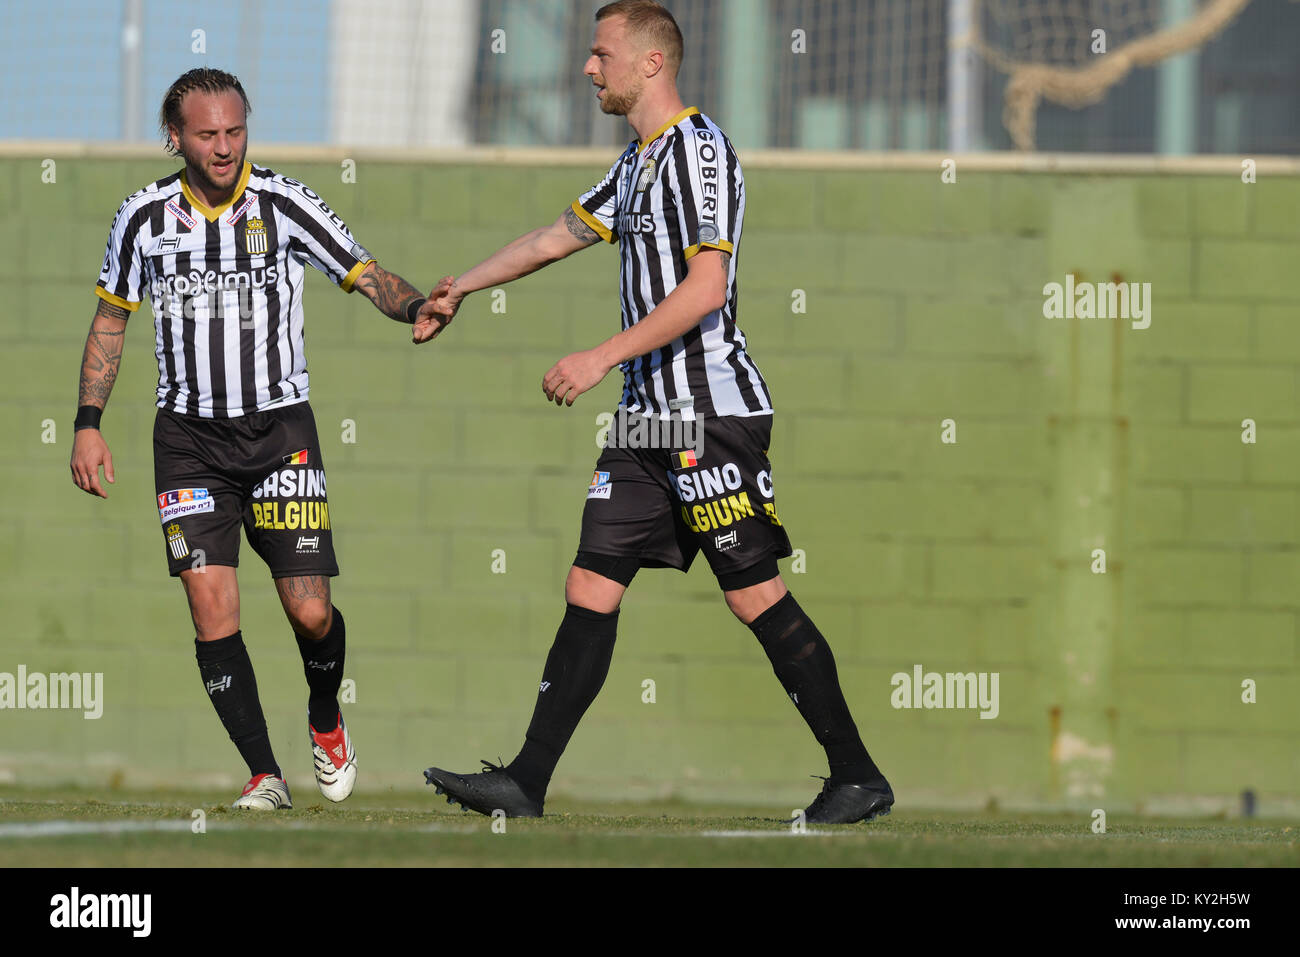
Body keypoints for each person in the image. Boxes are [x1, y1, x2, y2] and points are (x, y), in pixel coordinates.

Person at [417, 0, 892, 824]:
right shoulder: (634, 163)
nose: (588, 68)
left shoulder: (700, 152)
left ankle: (856, 774)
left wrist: (601, 355)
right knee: (590, 583)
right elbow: (555, 236)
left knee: (754, 596)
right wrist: (462, 284)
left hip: (709, 414)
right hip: (645, 425)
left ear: (650, 63)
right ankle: (526, 781)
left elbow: (708, 289)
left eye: (601, 54)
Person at [69, 68, 443, 809]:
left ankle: (326, 715)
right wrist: (87, 423)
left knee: (309, 611)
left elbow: (364, 272)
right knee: (213, 606)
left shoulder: (285, 203)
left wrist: (414, 307)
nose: (224, 147)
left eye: (235, 131)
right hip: (187, 442)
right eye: (207, 134)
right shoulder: (141, 219)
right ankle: (265, 775)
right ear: (173, 137)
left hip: (280, 435)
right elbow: (112, 319)